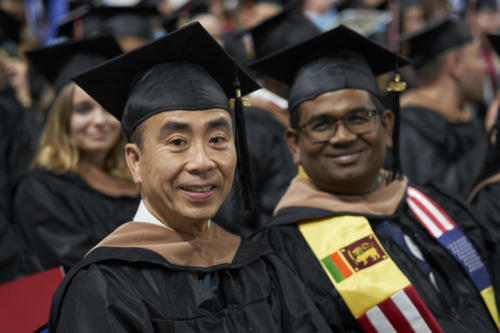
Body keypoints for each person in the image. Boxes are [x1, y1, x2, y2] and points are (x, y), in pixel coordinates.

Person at [48, 22, 332, 332]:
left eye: (217, 140)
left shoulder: (263, 268)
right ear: (135, 161)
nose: (202, 162)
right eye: (177, 142)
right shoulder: (103, 288)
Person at [251, 24, 500, 332]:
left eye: (359, 118)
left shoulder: (439, 207)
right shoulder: (282, 253)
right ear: (294, 144)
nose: (342, 137)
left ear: (386, 126)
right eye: (321, 125)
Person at [13, 36, 140, 273]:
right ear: (62, 118)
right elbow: (82, 264)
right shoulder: (42, 190)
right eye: (83, 109)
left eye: (108, 108)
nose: (99, 121)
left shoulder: (138, 180)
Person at [399, 16, 489, 197]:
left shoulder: (471, 113)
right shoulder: (409, 127)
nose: (485, 68)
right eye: (477, 57)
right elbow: (440, 199)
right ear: (455, 64)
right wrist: (490, 139)